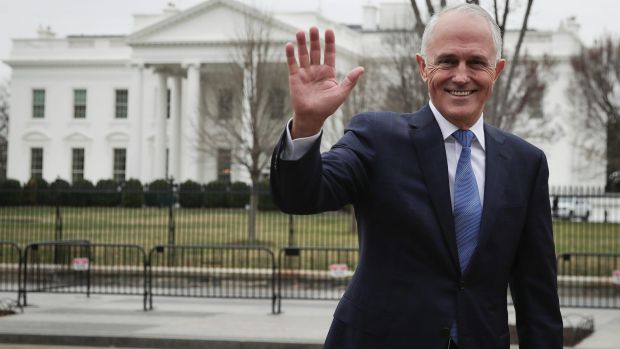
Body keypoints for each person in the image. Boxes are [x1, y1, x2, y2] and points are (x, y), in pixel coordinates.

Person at [270, 4, 562, 349]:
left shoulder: (525, 163)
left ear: (496, 70)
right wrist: (307, 124)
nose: (461, 75)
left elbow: (537, 294)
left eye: (477, 63)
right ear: (424, 67)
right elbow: (301, 196)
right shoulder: (377, 138)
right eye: (448, 61)